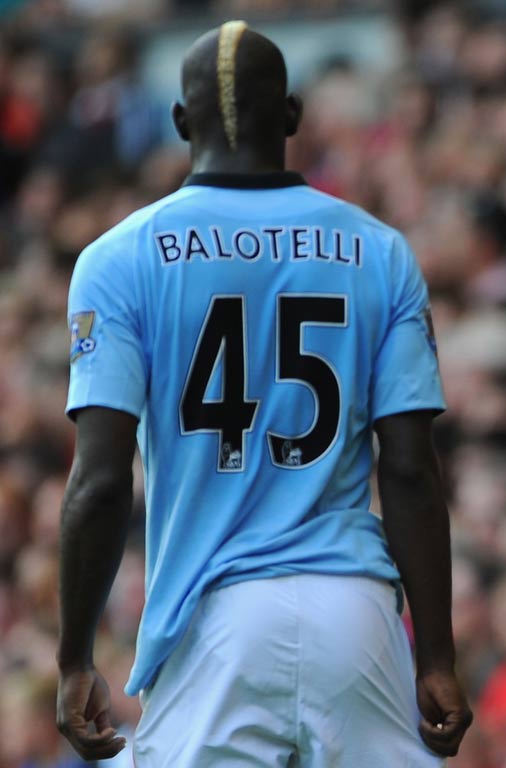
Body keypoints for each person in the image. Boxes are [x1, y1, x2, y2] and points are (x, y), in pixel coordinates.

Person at [56, 21, 472, 767]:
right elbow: (409, 468)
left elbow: (100, 479)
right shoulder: (378, 250)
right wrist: (436, 655)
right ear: (291, 115)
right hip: (356, 608)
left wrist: (73, 655)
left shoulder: (117, 258)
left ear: (182, 122)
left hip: (212, 616)